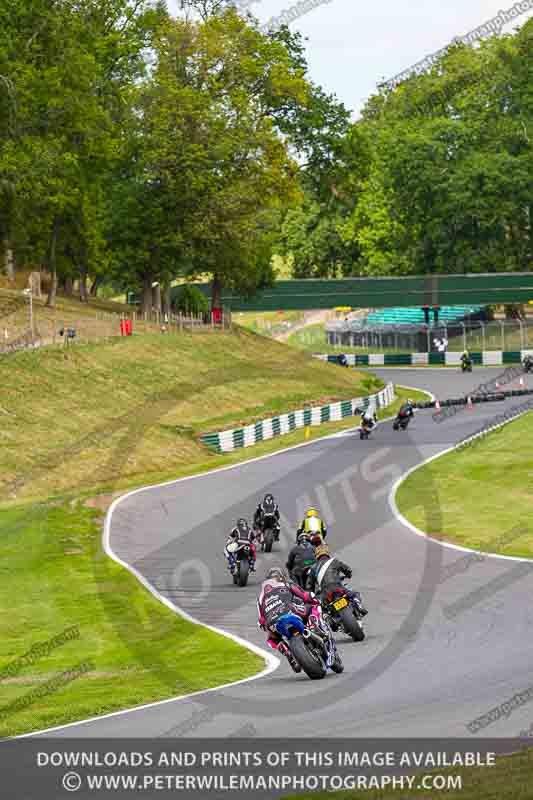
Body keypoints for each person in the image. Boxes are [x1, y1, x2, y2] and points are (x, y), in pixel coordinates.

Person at [256, 566, 320, 672]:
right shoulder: (286, 584)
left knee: (271, 639)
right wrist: (314, 599)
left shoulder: (260, 598)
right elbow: (304, 596)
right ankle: (315, 629)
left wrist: (267, 627)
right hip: (290, 612)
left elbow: (261, 621)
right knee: (313, 607)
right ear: (281, 577)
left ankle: (286, 651)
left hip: (273, 623)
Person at [310, 544, 367, 615]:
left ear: (317, 555)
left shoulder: (313, 568)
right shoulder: (334, 561)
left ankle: (328, 622)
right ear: (327, 552)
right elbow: (347, 569)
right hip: (338, 587)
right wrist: (348, 575)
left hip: (325, 593)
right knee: (355, 594)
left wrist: (312, 592)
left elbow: (310, 585)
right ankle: (359, 606)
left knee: (322, 610)